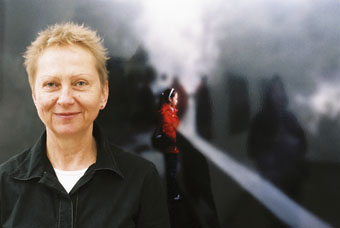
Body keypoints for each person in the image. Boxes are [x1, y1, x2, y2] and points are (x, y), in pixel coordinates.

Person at [0, 22, 170, 228]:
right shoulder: (4, 184)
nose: (65, 99)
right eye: (51, 84)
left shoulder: (142, 179)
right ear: (35, 96)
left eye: (80, 83)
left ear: (103, 93)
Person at [157, 88, 181, 201]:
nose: (177, 101)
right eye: (175, 98)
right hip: (171, 147)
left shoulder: (172, 112)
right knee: (171, 172)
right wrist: (178, 141)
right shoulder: (166, 113)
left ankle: (173, 192)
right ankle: (172, 194)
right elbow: (170, 132)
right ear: (170, 99)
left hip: (174, 147)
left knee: (173, 170)